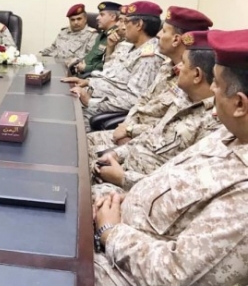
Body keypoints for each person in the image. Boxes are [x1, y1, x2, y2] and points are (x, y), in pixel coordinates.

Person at [93, 28, 248, 286]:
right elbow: (169, 180)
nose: (211, 88)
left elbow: (174, 275)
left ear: (240, 104)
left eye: (218, 84)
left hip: (122, 269)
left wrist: (110, 232)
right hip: (123, 224)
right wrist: (123, 199)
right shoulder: (230, 134)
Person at [91, 31, 221, 199]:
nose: (178, 68)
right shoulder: (184, 98)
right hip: (128, 163)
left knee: (90, 195)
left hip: (141, 189)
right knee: (84, 162)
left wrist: (123, 177)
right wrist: (117, 154)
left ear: (197, 75)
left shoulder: (214, 122)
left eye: (183, 63)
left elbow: (181, 186)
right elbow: (153, 134)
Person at [86, 6, 213, 151]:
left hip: (150, 144)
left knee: (85, 149)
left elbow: (169, 126)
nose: (158, 35)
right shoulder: (167, 65)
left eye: (164, 31)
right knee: (82, 142)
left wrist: (131, 131)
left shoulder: (190, 81)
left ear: (176, 40)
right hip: (133, 130)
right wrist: (126, 125)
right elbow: (143, 99)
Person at [71, 1, 165, 131]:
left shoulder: (149, 58)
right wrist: (88, 82)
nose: (121, 26)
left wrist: (90, 102)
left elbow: (134, 100)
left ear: (139, 25)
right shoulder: (130, 47)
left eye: (126, 22)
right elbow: (112, 77)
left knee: (68, 126)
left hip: (99, 109)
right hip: (93, 95)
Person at [67, 1, 121, 76]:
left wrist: (86, 68)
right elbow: (91, 58)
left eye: (102, 15)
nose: (97, 18)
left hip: (92, 77)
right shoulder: (102, 35)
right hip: (81, 73)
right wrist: (78, 61)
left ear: (113, 17)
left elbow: (109, 66)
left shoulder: (117, 37)